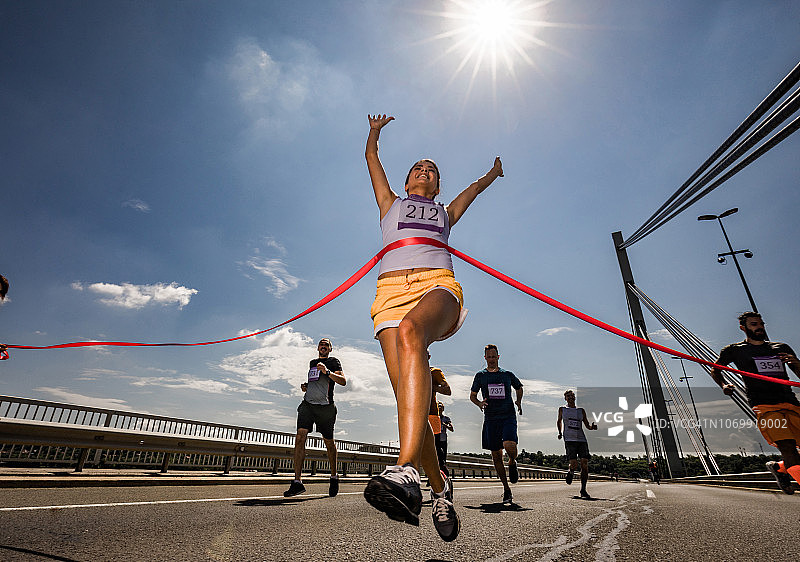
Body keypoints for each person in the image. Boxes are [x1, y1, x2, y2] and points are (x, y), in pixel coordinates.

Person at [363, 114, 503, 542]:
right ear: (407, 183)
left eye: (432, 171)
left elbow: (471, 192)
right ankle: (439, 490)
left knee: (411, 332)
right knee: (411, 401)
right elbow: (373, 160)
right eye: (418, 168)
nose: (425, 171)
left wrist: (491, 175)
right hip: (389, 292)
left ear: (436, 187)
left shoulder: (444, 212)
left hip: (437, 284)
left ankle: (405, 470)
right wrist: (375, 133)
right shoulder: (390, 203)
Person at [711, 312, 800, 494]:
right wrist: (723, 385)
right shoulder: (735, 350)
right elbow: (716, 370)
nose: (759, 327)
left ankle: (780, 468)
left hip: (790, 402)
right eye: (753, 324)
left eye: (761, 324)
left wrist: (797, 363)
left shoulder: (780, 347)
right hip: (765, 405)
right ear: (743, 328)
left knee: (793, 450)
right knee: (788, 447)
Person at [284, 338, 346, 498]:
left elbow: (343, 381)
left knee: (329, 444)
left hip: (326, 408)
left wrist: (327, 371)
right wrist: (306, 387)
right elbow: (315, 382)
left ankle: (334, 476)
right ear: (318, 348)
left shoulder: (333, 362)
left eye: (326, 345)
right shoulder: (312, 362)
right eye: (321, 344)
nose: (323, 346)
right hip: (308, 406)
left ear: (330, 349)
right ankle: (297, 482)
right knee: (300, 438)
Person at [470, 344, 523, 505]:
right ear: (485, 358)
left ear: (498, 357)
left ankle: (512, 461)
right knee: (496, 455)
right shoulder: (480, 376)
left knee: (509, 445)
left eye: (494, 356)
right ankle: (506, 489)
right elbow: (472, 396)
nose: (492, 359)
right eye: (489, 357)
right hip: (491, 418)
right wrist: (479, 403)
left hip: (507, 415)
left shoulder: (507, 374)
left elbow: (519, 387)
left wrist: (518, 402)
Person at [557, 389, 598, 499]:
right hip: (569, 439)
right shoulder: (562, 409)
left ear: (575, 398)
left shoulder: (581, 411)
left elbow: (587, 425)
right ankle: (571, 472)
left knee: (584, 463)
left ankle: (583, 489)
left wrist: (592, 428)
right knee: (574, 464)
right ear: (565, 398)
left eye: (572, 396)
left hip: (581, 440)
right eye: (568, 396)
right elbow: (559, 421)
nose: (570, 398)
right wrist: (560, 432)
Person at [428, 358, 452, 478]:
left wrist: (431, 386)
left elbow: (448, 391)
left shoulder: (434, 372)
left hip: (432, 415)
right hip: (414, 415)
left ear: (428, 356)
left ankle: (443, 475)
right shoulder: (410, 371)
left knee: (436, 451)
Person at [436, 401, 454, 477]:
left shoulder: (446, 418)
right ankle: (432, 478)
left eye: (441, 407)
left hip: (443, 440)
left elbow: (452, 428)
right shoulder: (434, 418)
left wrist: (444, 425)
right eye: (438, 407)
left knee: (443, 459)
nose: (439, 409)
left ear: (443, 409)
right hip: (435, 440)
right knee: (435, 459)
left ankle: (444, 476)